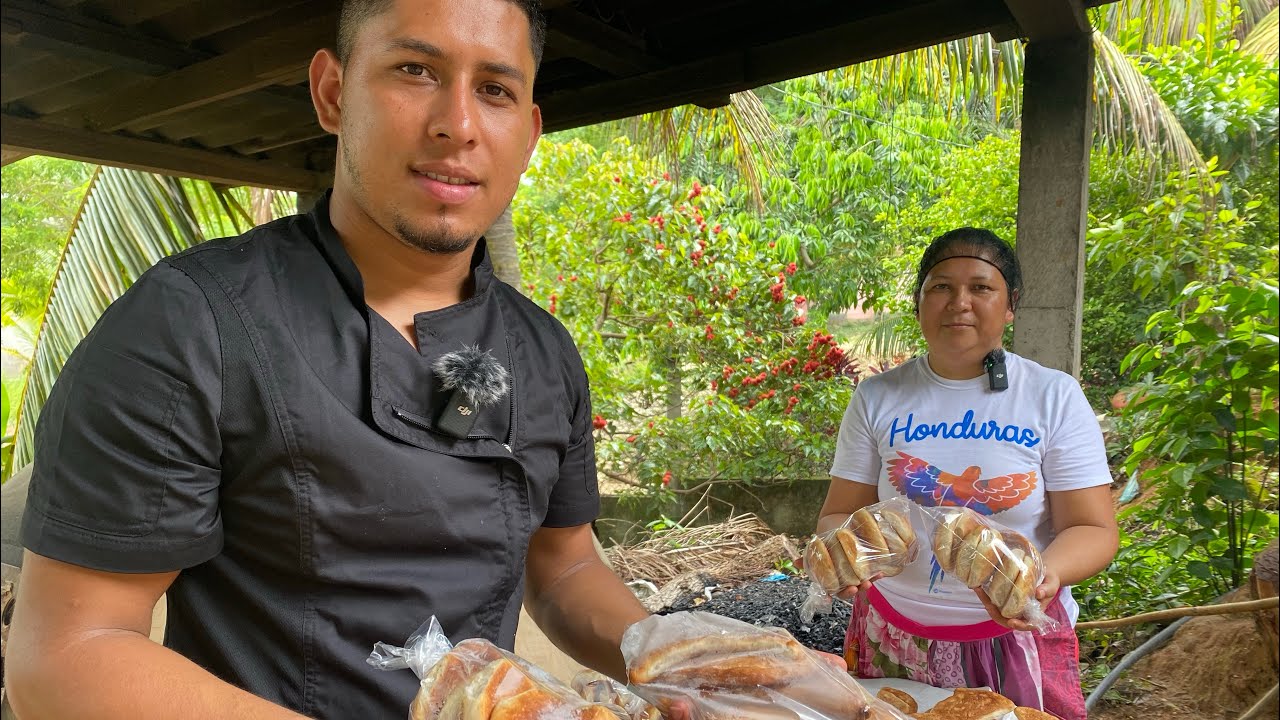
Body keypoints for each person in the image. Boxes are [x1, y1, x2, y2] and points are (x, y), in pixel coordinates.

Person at [4, 2, 659, 717]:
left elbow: (565, 568)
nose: (458, 126)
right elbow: (64, 656)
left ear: (529, 132)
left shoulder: (542, 350)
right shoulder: (191, 324)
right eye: (416, 70)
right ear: (332, 93)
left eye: (495, 90)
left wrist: (682, 653)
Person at [816, 227, 1118, 719]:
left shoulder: (1052, 396)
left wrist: (1043, 577)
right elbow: (839, 515)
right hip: (894, 633)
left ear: (1011, 305)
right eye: (941, 286)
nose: (959, 302)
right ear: (918, 304)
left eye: (981, 287)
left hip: (1015, 636)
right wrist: (845, 555)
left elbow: (1092, 528)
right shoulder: (877, 397)